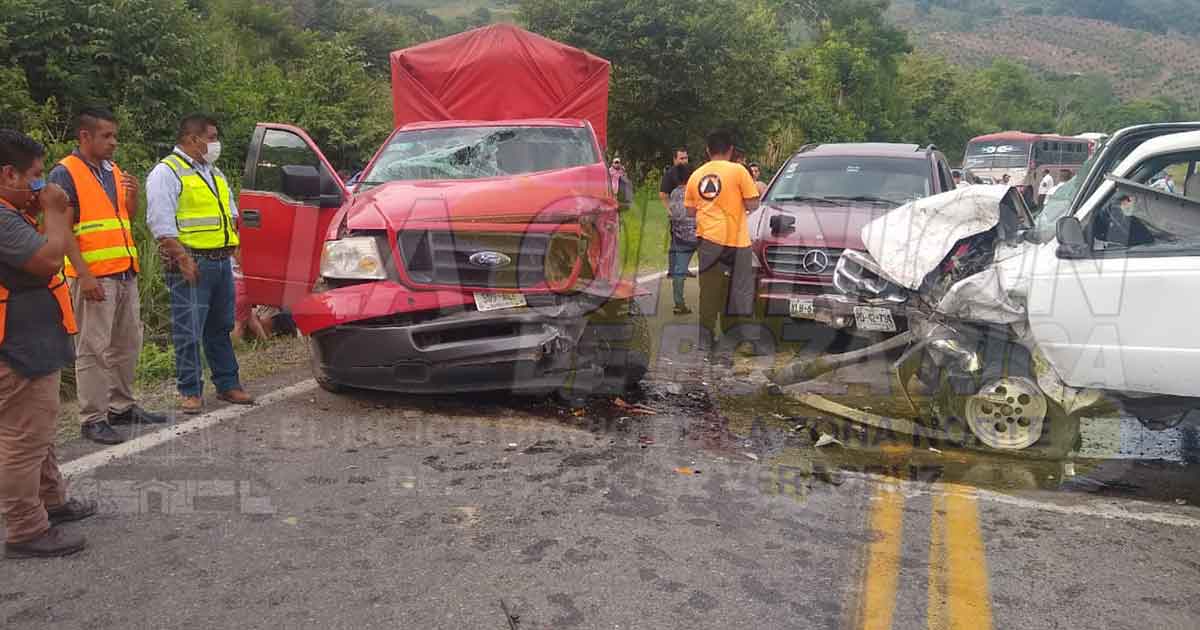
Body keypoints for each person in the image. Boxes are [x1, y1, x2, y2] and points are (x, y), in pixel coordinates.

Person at [0, 129, 98, 558]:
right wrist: (57, 211)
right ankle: (25, 529)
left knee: (39, 432)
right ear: (8, 174)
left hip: (31, 341)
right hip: (17, 346)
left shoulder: (11, 212)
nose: (40, 187)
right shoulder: (1, 218)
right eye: (35, 177)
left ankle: (52, 502)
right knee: (24, 439)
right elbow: (46, 260)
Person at [47, 108, 167, 445]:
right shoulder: (64, 173)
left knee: (127, 343)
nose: (114, 142)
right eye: (107, 136)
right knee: (93, 348)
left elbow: (124, 218)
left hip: (124, 272)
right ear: (85, 137)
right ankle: (93, 418)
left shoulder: (111, 170)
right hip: (94, 277)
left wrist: (133, 198)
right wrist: (84, 275)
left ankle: (122, 406)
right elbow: (63, 230)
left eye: (115, 135)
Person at [146, 114, 254, 415]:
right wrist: (182, 259)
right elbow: (160, 223)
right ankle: (190, 390)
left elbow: (230, 215)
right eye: (212, 137)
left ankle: (227, 383)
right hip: (192, 261)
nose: (216, 143)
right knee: (188, 329)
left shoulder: (214, 172)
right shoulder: (167, 172)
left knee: (219, 327)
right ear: (193, 139)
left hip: (220, 261)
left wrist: (236, 251)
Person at [685, 130, 761, 356]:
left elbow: (690, 211)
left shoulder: (696, 175)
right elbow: (753, 204)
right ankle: (745, 341)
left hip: (709, 241)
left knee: (709, 292)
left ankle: (705, 342)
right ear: (730, 150)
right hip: (737, 242)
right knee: (741, 291)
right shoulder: (739, 170)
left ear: (708, 151)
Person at [661, 162, 697, 314]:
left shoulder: (674, 193)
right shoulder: (697, 191)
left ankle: (678, 303)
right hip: (700, 234)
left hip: (681, 237)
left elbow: (673, 214)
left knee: (679, 270)